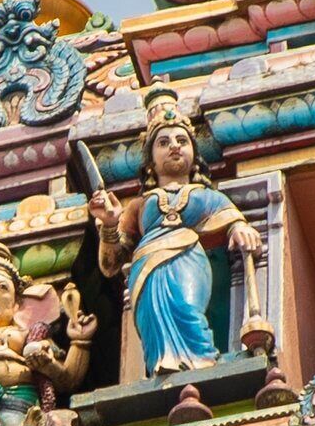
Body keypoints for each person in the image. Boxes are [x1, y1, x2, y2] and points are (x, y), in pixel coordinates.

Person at [92, 88, 264, 378]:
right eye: (163, 142)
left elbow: (232, 219)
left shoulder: (206, 195)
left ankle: (202, 362)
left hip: (188, 258)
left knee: (187, 307)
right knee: (155, 322)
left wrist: (240, 227)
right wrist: (109, 224)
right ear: (151, 161)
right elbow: (110, 265)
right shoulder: (140, 204)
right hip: (146, 269)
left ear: (194, 154)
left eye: (181, 141)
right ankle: (164, 368)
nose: (174, 146)